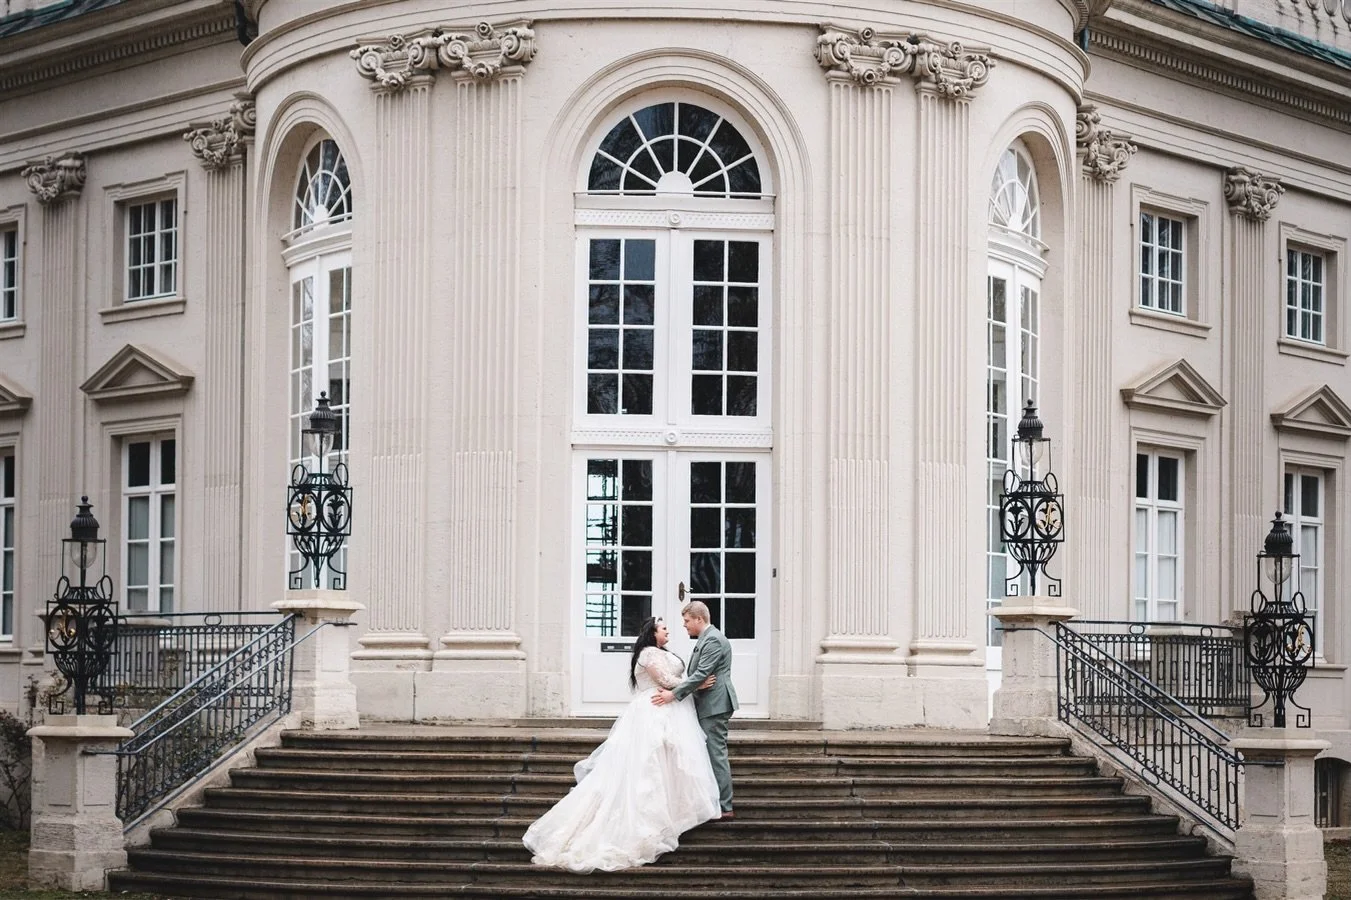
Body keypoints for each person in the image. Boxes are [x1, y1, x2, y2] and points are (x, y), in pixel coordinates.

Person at [522, 617, 721, 872]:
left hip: (670, 709)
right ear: (652, 633)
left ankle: (671, 813)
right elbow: (664, 680)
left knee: (668, 761)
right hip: (654, 709)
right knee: (649, 763)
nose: (668, 631)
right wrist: (696, 683)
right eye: (663, 628)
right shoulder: (648, 653)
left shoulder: (661, 651)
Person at [652, 600, 738, 818]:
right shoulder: (706, 638)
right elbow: (699, 676)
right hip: (708, 702)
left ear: (699, 619)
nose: (684, 625)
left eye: (687, 620)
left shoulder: (713, 640)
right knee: (710, 753)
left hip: (714, 704)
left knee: (715, 754)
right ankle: (714, 802)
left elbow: (701, 674)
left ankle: (725, 807)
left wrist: (673, 694)